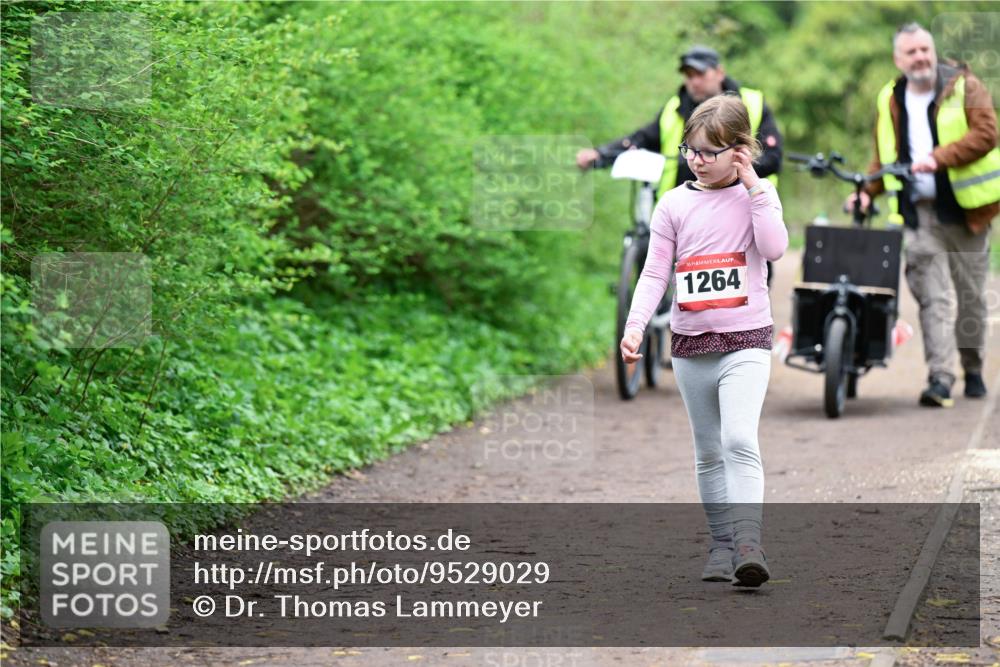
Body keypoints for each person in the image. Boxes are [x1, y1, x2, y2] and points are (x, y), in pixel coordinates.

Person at [620, 93, 788, 586]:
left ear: (739, 150)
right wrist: (634, 325)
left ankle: (748, 543)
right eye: (690, 150)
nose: (696, 159)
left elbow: (775, 247)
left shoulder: (760, 195)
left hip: (746, 341)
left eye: (708, 152)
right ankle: (720, 544)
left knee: (738, 439)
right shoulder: (674, 204)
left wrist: (755, 185)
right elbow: (654, 273)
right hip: (692, 346)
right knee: (708, 452)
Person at [848, 22, 999, 407]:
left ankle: (974, 367)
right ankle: (941, 378)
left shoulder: (965, 86)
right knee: (934, 299)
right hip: (919, 214)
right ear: (898, 59)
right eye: (911, 52)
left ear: (934, 51)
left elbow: (988, 133)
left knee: (970, 298)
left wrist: (939, 158)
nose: (921, 57)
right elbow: (886, 156)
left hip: (967, 214)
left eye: (925, 50)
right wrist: (866, 191)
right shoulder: (891, 97)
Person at [577, 45, 783, 285]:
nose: (693, 82)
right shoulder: (674, 108)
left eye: (700, 74)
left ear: (719, 72)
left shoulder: (752, 103)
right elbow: (640, 139)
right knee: (650, 251)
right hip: (684, 206)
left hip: (740, 205)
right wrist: (600, 154)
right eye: (688, 75)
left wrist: (732, 172)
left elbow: (773, 157)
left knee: (756, 269)